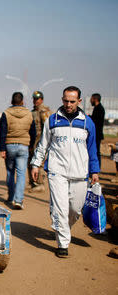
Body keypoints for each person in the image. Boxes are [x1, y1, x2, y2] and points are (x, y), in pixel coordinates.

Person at [30, 86, 100, 258]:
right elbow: (43, 145)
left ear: (79, 101)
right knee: (61, 209)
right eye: (65, 101)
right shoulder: (53, 120)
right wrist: (36, 164)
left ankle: (62, 226)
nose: (68, 104)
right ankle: (63, 244)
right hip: (57, 172)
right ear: (62, 99)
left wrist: (95, 170)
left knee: (75, 210)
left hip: (80, 174)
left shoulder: (87, 122)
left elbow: (92, 149)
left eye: (72, 101)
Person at [0, 92, 36, 209]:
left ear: (11, 101)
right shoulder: (29, 114)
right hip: (24, 146)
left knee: (10, 172)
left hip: (9, 145)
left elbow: (2, 132)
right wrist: (30, 145)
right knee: (21, 174)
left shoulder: (6, 113)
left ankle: (11, 197)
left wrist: (2, 148)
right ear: (22, 102)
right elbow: (33, 132)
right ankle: (18, 200)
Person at [27, 91, 52, 193]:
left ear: (41, 99)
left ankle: (40, 184)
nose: (35, 101)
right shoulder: (33, 111)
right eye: (34, 99)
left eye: (37, 99)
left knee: (39, 162)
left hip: (41, 141)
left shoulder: (44, 111)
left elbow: (48, 128)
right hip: (33, 141)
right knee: (31, 162)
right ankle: (33, 182)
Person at [90, 93, 105, 168]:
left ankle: (96, 168)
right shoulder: (97, 108)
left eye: (91, 99)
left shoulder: (99, 108)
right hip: (96, 133)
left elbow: (96, 122)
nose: (90, 101)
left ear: (95, 99)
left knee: (95, 151)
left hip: (97, 134)